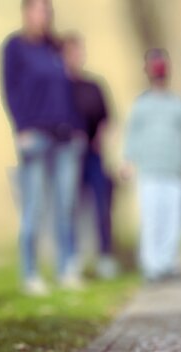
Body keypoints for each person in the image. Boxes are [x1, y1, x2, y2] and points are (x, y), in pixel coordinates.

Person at [1, 0, 85, 295]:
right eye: (39, 11)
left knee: (66, 205)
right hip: (34, 136)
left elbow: (69, 89)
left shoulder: (55, 47)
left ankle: (66, 268)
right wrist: (21, 129)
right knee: (34, 207)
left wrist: (77, 129)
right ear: (26, 13)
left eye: (48, 11)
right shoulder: (15, 47)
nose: (45, 16)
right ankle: (31, 273)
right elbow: (9, 90)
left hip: (64, 137)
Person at [122, 50, 181, 282]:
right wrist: (127, 160)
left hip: (175, 172)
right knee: (151, 219)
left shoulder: (180, 105)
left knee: (173, 220)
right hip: (149, 171)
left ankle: (168, 263)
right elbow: (132, 135)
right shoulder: (141, 105)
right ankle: (151, 265)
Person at [60, 33, 118, 280]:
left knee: (101, 204)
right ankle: (72, 258)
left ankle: (105, 256)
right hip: (68, 153)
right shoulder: (59, 87)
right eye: (72, 52)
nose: (77, 56)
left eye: (79, 51)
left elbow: (107, 117)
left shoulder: (93, 85)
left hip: (93, 154)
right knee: (69, 205)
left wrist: (99, 138)